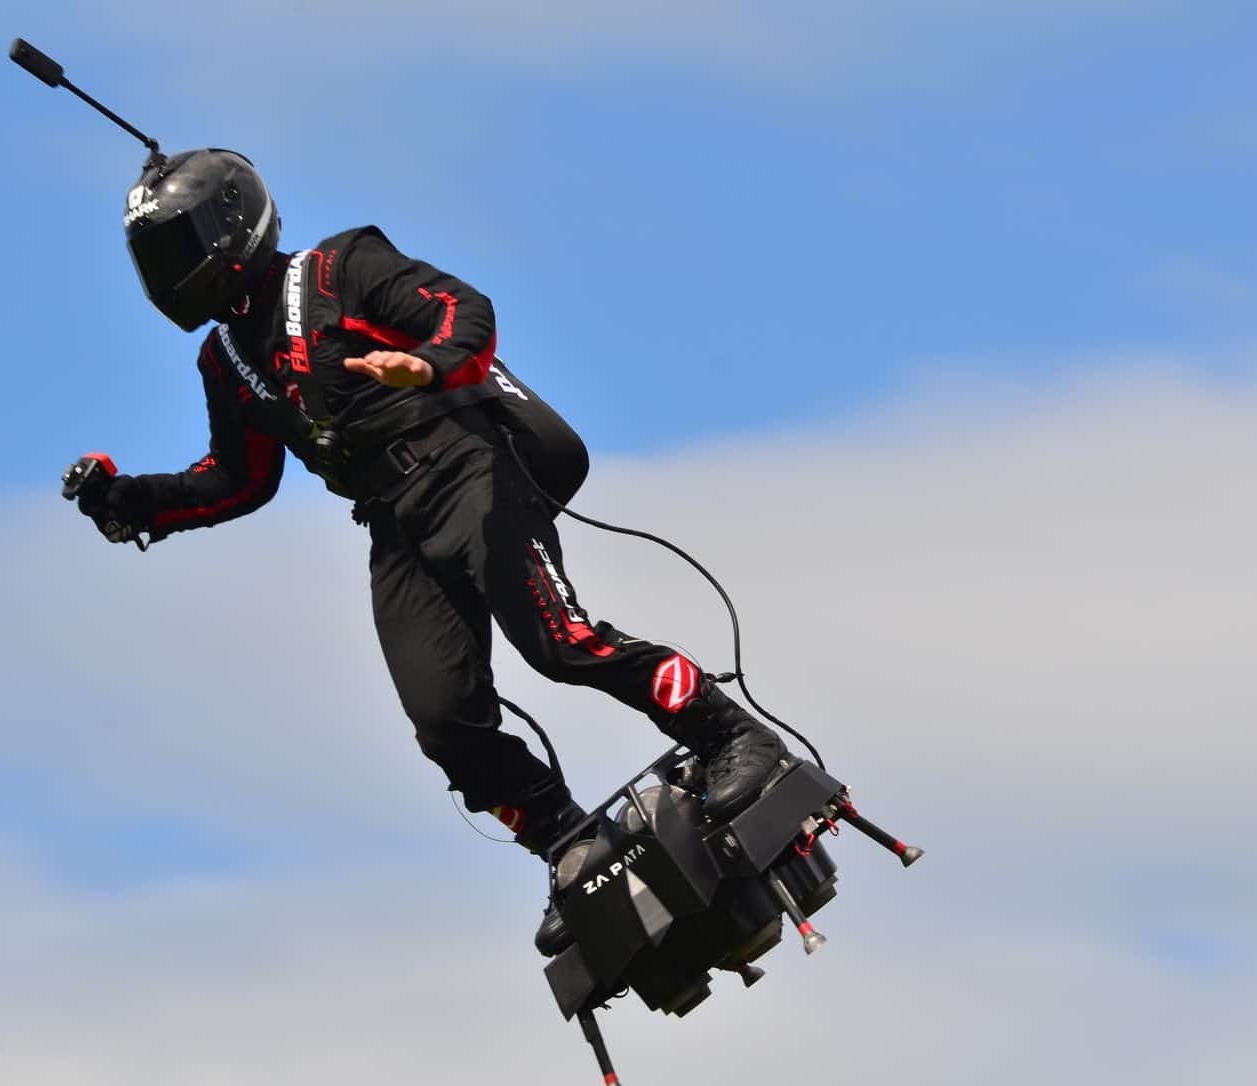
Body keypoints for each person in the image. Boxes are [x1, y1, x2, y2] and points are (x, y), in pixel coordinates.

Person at [73, 148, 786, 952]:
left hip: (472, 466)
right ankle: (569, 842)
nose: (176, 273)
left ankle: (730, 736)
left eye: (182, 245)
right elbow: (238, 481)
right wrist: (133, 501)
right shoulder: (224, 360)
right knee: (444, 722)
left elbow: (463, 309)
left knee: (558, 644)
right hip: (396, 523)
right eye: (158, 259)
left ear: (233, 225)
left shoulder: (343, 266)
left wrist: (431, 363)